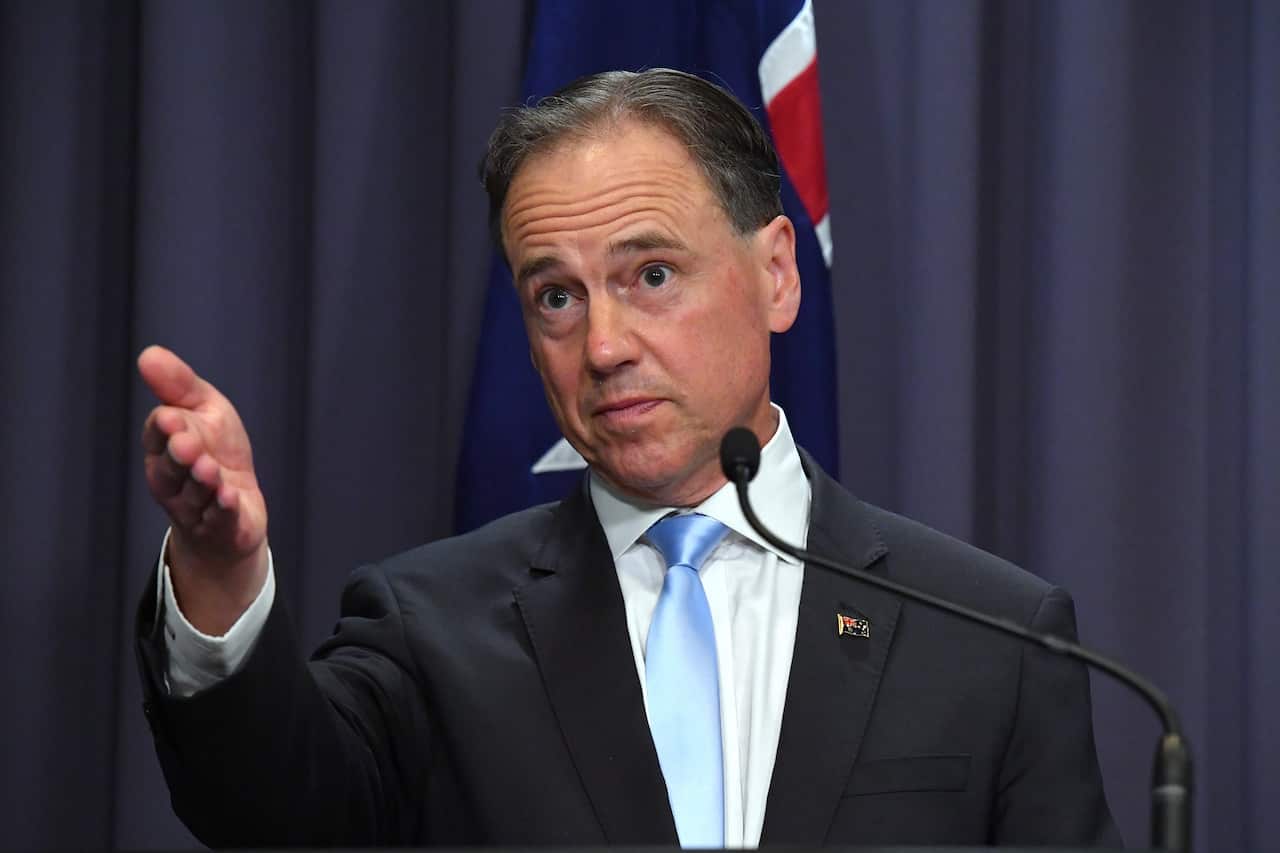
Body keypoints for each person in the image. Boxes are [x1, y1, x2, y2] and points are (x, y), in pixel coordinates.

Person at [135, 68, 1120, 847]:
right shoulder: (430, 628)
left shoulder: (991, 636)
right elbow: (274, 813)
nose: (602, 346)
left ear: (776, 274)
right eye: (557, 296)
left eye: (650, 274)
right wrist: (220, 575)